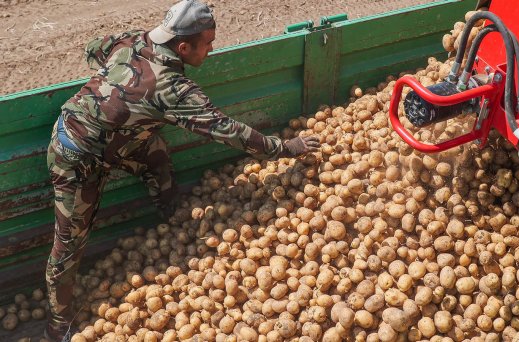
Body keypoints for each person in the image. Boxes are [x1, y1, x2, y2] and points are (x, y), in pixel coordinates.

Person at [44, 0, 320, 340]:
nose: (212, 48)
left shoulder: (132, 40)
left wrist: (115, 87)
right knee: (69, 243)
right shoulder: (172, 89)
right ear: (184, 46)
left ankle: (173, 218)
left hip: (121, 141)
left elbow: (92, 49)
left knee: (156, 154)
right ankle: (58, 327)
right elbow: (228, 131)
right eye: (208, 43)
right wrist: (285, 147)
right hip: (75, 156)